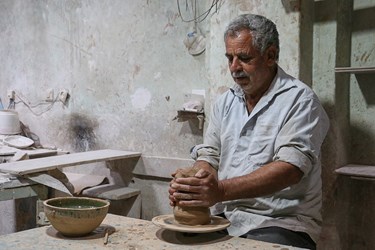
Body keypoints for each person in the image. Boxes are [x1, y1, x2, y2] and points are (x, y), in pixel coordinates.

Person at [169, 14, 329, 249]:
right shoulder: (225, 102)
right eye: (230, 58)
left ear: (270, 56)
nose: (234, 68)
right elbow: (209, 155)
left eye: (244, 58)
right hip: (228, 216)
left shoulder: (300, 100)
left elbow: (291, 170)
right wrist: (194, 184)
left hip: (281, 222)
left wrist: (219, 190)